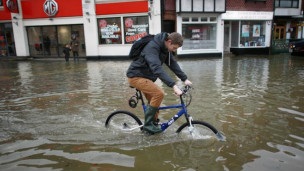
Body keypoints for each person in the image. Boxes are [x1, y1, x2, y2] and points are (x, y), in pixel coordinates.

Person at [126, 32, 192, 134]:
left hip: (146, 77)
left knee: (155, 100)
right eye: (174, 48)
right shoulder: (152, 48)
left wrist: (185, 79)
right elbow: (156, 68)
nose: (174, 50)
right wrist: (173, 86)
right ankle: (148, 125)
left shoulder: (164, 48)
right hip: (136, 77)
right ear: (169, 42)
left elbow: (173, 64)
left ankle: (153, 125)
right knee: (159, 93)